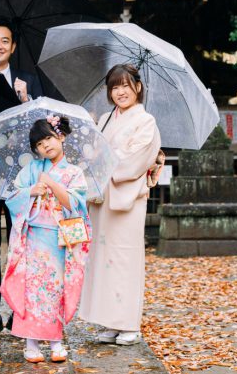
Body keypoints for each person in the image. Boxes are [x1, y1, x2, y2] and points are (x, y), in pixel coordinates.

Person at [79, 64, 161, 346]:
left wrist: (103, 154)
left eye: (126, 85)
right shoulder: (104, 118)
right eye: (115, 87)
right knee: (103, 261)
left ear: (137, 87)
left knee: (124, 259)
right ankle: (110, 322)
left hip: (126, 198)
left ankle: (129, 323)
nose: (120, 92)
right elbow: (92, 152)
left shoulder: (146, 121)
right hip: (102, 198)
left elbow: (134, 159)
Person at [0, 115, 90, 363]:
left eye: (49, 138)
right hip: (34, 237)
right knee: (32, 289)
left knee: (56, 288)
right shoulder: (31, 169)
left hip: (60, 239)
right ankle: (30, 343)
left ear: (61, 136)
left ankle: (56, 341)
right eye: (39, 144)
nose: (45, 146)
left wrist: (50, 182)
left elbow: (75, 204)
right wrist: (31, 191)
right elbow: (12, 198)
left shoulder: (74, 172)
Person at [0, 18, 43, 340]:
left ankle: (21, 312)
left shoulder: (28, 80)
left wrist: (26, 101)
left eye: (5, 41)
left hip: (22, 178)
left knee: (22, 245)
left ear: (13, 47)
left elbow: (43, 128)